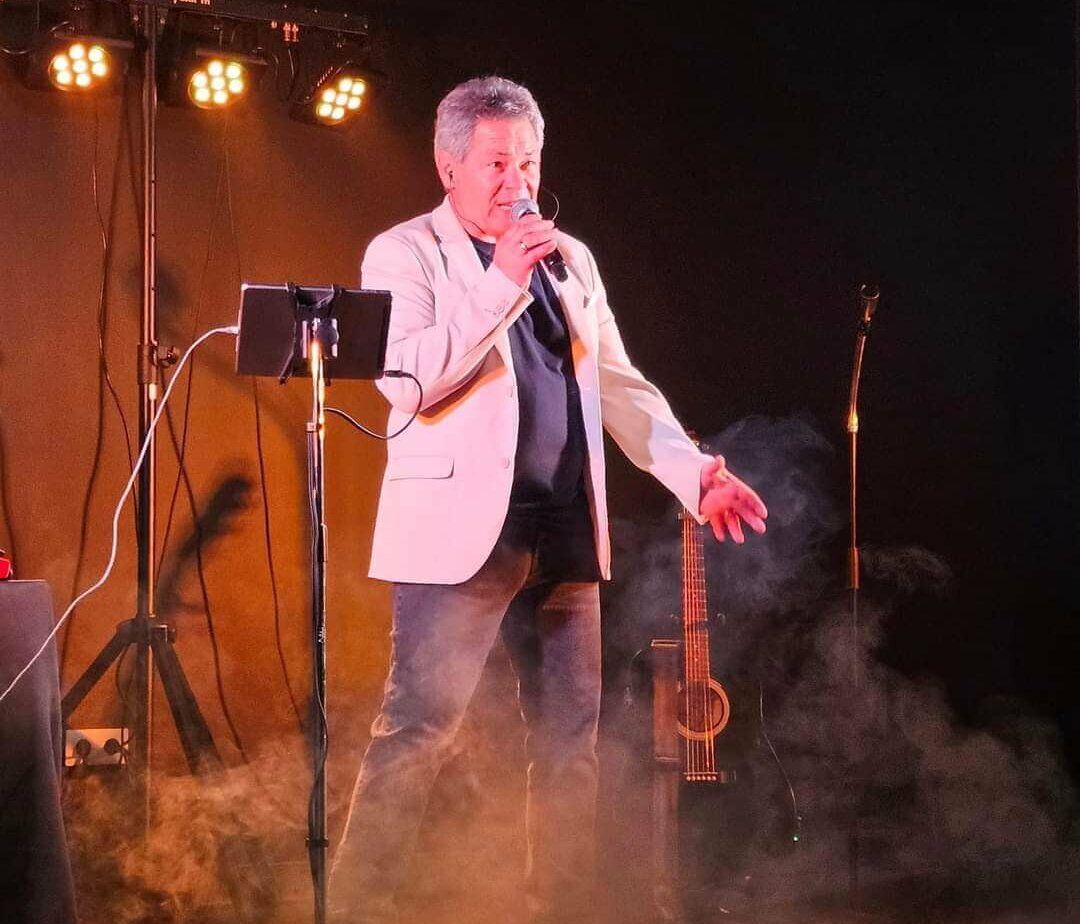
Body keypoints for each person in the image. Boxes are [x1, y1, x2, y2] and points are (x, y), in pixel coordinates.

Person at [329, 74, 768, 924]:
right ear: (448, 167)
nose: (517, 182)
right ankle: (354, 911)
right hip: (462, 538)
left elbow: (620, 384)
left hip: (564, 529)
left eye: (528, 161)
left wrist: (695, 474)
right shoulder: (404, 253)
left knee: (571, 746)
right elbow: (407, 382)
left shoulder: (572, 260)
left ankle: (562, 908)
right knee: (417, 734)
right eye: (497, 163)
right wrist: (499, 281)